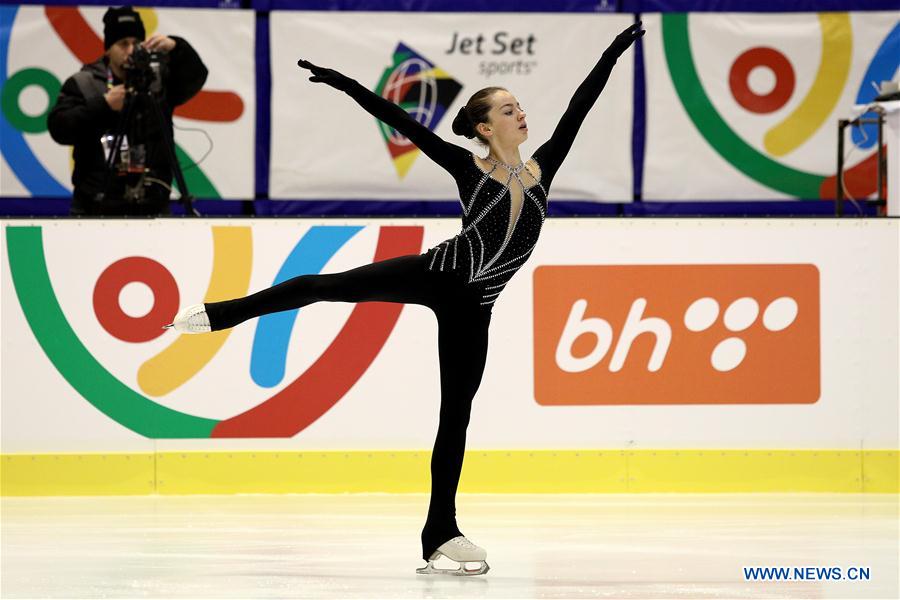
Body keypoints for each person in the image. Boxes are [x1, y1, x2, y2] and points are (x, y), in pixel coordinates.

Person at [167, 22, 645, 576]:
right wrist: (347, 85)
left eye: (520, 106)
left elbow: (580, 106)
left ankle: (440, 532)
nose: (522, 114)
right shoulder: (471, 169)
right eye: (509, 109)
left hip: (477, 308)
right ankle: (221, 315)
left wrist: (611, 52)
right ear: (487, 127)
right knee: (328, 286)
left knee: (456, 417)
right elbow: (403, 121)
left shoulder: (543, 167)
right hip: (439, 273)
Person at [47, 5, 208, 216]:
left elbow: (195, 77)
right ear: (108, 48)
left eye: (136, 43)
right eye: (123, 44)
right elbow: (59, 128)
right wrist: (103, 105)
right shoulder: (85, 83)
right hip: (97, 207)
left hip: (153, 205)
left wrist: (177, 48)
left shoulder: (157, 82)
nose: (131, 50)